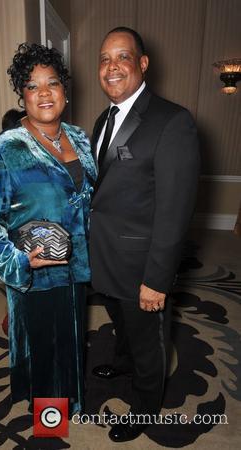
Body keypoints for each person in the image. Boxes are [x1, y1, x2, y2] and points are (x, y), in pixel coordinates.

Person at [0, 43, 97, 416]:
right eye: (32, 85)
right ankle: (50, 425)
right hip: (36, 271)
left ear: (64, 90)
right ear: (22, 95)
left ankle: (69, 404)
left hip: (76, 267)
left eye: (53, 83)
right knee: (44, 349)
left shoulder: (80, 139)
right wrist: (20, 264)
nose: (44, 93)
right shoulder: (3, 150)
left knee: (71, 341)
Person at [89, 27, 200, 442]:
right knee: (121, 324)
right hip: (107, 257)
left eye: (122, 57)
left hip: (142, 266)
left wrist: (157, 279)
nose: (111, 66)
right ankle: (122, 360)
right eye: (103, 59)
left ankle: (145, 407)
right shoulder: (104, 119)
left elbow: (175, 211)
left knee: (149, 341)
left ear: (142, 63)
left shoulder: (172, 121)